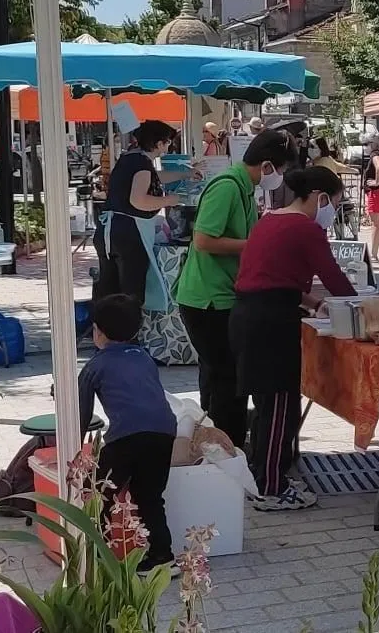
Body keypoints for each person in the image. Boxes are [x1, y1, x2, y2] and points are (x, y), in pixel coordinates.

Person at [231, 166, 357, 511]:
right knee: (280, 407)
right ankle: (271, 489)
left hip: (250, 316)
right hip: (271, 323)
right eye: (333, 202)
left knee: (267, 406)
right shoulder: (305, 228)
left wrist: (314, 304)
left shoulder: (269, 220)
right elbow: (335, 279)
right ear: (319, 198)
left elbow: (273, 277)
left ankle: (265, 477)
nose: (332, 210)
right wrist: (364, 305)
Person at [174, 130, 295, 449]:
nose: (280, 177)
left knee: (220, 377)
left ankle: (215, 446)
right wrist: (253, 245)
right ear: (267, 165)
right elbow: (203, 239)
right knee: (227, 379)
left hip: (223, 295)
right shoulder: (228, 187)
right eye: (280, 170)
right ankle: (226, 451)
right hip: (207, 300)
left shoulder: (244, 189)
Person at [79, 294, 179, 573]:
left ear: (97, 331)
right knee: (149, 496)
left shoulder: (94, 366)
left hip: (126, 435)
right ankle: (162, 556)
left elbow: (81, 414)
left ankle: (99, 553)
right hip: (164, 432)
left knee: (98, 492)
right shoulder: (145, 358)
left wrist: (75, 448)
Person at [95, 120, 182, 306]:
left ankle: (103, 331)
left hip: (107, 231)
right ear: (159, 143)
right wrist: (170, 200)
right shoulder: (142, 163)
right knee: (130, 294)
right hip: (129, 234)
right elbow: (139, 200)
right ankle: (127, 331)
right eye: (168, 142)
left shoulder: (130, 158)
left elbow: (155, 177)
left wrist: (186, 174)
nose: (169, 146)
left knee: (108, 291)